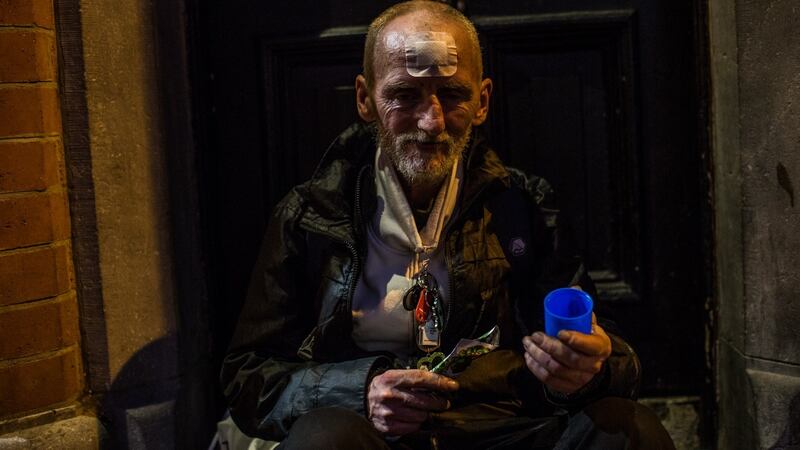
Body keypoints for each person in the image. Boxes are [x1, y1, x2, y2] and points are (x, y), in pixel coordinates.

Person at [221, 1, 675, 449]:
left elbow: (604, 350)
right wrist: (360, 391)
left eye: (453, 95)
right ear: (365, 99)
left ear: (482, 102)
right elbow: (248, 377)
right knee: (323, 439)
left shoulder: (522, 204)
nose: (432, 121)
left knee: (629, 430)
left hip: (498, 425)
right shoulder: (310, 215)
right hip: (372, 433)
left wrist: (586, 369)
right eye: (404, 95)